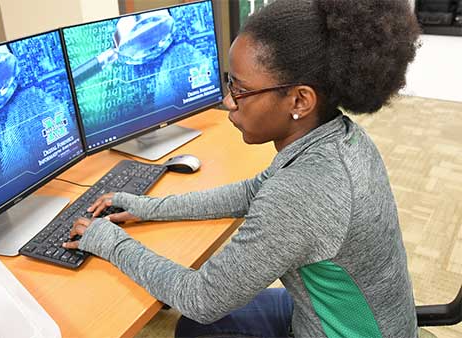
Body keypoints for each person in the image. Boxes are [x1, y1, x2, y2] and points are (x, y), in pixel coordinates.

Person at [62, 0, 421, 336]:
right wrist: (148, 208)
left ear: (299, 100)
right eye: (229, 82)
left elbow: (201, 298)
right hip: (353, 316)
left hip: (339, 330)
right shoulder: (340, 138)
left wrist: (109, 242)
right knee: (196, 326)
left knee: (196, 320)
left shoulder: (303, 193)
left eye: (241, 90)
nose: (227, 100)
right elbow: (255, 191)